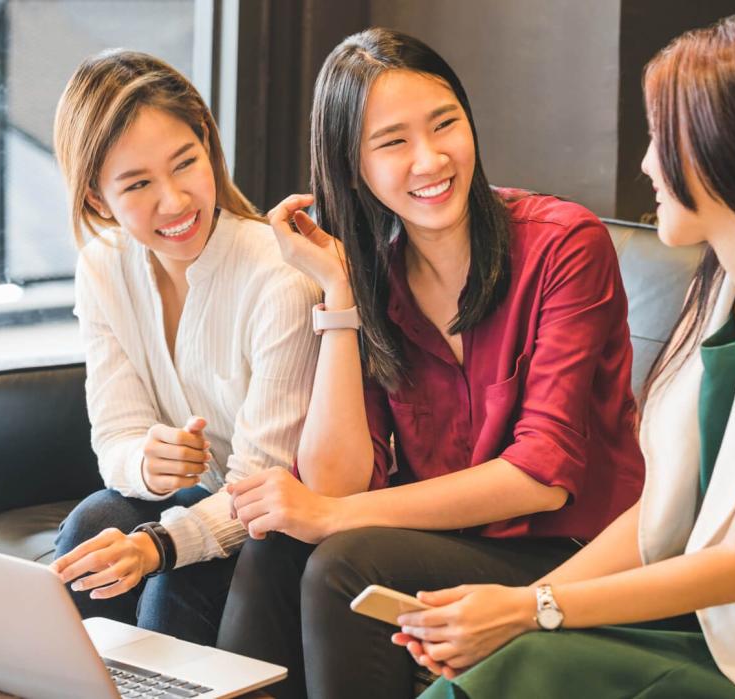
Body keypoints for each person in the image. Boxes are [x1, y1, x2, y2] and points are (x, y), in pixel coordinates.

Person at [393, 15, 735, 698]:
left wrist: (528, 609)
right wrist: (522, 607)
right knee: (499, 663)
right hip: (718, 632)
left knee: (513, 671)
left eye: (663, 139)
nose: (645, 163)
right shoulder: (725, 295)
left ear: (734, 152)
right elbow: (661, 512)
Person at [215, 28, 645, 698]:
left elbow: (543, 476)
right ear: (352, 165)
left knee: (344, 559)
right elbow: (335, 480)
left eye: (445, 123)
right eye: (393, 142)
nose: (431, 158)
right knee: (273, 543)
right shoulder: (376, 278)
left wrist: (329, 517)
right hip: (450, 543)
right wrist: (340, 298)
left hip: (573, 553)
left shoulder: (564, 245)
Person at [46, 50, 320, 646]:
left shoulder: (280, 277)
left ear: (207, 144)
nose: (173, 202)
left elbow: (260, 487)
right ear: (97, 199)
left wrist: (159, 545)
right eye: (138, 184)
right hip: (211, 500)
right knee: (94, 523)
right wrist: (146, 462)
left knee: (175, 579)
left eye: (185, 164)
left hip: (283, 521)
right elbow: (115, 436)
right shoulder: (102, 268)